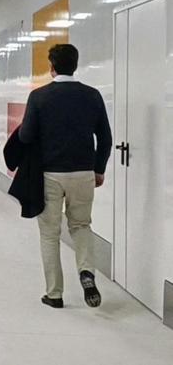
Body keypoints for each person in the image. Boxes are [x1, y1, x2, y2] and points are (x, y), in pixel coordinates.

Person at [19, 44, 112, 309]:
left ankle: (54, 293)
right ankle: (86, 271)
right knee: (81, 226)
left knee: (49, 233)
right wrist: (99, 169)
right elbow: (105, 137)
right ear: (75, 65)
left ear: (51, 67)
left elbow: (26, 136)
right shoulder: (92, 96)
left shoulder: (39, 97)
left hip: (50, 174)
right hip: (83, 172)